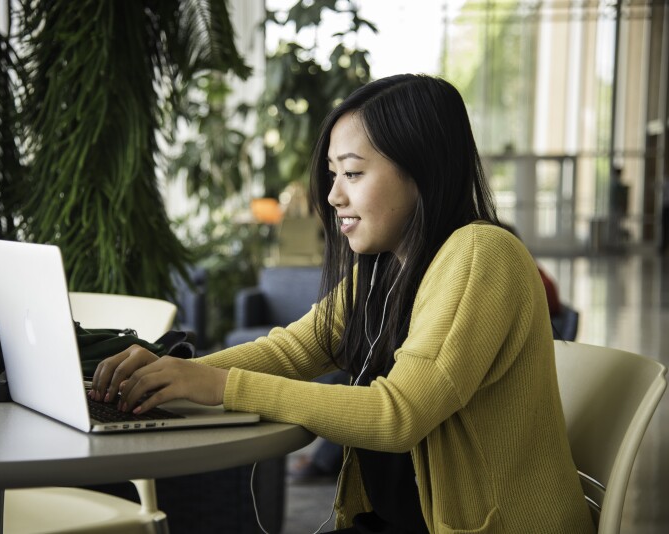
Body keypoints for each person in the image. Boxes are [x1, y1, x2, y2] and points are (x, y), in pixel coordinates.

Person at [89, 74, 594, 534]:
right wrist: (173, 374)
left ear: (422, 171)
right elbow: (293, 351)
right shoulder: (383, 267)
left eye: (352, 173)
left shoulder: (481, 254)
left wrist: (218, 383)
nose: (331, 196)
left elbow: (397, 415)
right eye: (332, 174)